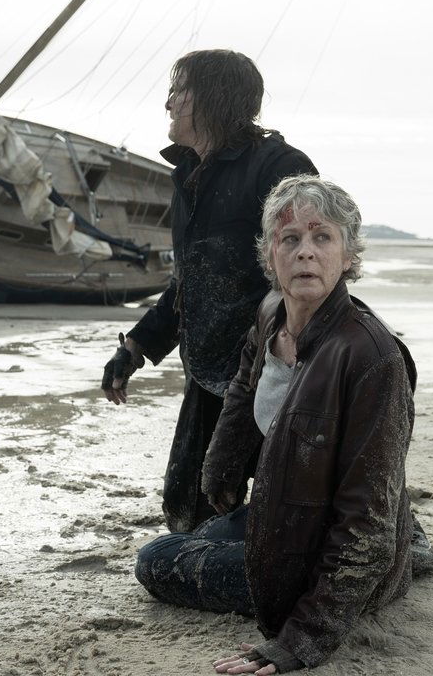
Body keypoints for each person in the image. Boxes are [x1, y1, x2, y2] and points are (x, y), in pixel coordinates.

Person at [135, 176, 433, 674]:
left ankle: (403, 560)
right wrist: (221, 470)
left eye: (322, 237)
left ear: (348, 256)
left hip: (327, 556)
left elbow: (364, 524)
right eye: (289, 238)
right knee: (200, 532)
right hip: (283, 515)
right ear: (270, 254)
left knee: (156, 559)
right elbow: (243, 388)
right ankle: (410, 547)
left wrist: (301, 641)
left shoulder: (372, 358)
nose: (305, 252)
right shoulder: (271, 313)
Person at [102, 50, 317, 533]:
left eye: (179, 92)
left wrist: (292, 351)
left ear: (213, 99)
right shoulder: (189, 175)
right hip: (207, 368)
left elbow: (313, 270)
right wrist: (136, 346)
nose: (168, 104)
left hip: (270, 369)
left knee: (297, 509)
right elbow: (190, 281)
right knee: (186, 511)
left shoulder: (279, 167)